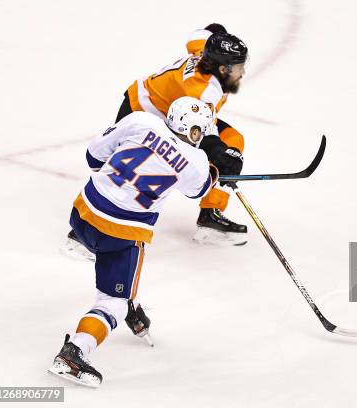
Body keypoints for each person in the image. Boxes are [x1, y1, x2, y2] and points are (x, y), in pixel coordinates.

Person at [48, 96, 239, 387]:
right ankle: (75, 352)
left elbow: (93, 158)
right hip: (120, 235)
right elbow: (199, 189)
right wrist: (220, 171)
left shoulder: (140, 120)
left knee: (111, 261)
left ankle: (130, 303)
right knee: (113, 302)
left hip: (82, 213)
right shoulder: (195, 162)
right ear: (195, 132)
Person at [63, 24, 249, 258]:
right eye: (238, 67)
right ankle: (82, 235)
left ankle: (210, 215)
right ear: (222, 68)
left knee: (233, 139)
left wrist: (217, 34)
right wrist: (220, 155)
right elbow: (205, 131)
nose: (242, 72)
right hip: (144, 111)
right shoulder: (204, 92)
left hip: (172, 110)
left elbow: (199, 36)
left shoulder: (205, 51)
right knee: (126, 169)